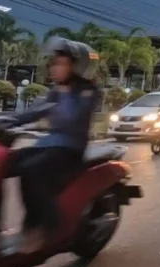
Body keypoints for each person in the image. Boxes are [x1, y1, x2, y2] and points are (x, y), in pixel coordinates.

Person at [9, 37, 100, 254]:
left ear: (76, 67)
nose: (54, 68)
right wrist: (7, 121)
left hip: (69, 151)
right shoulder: (56, 90)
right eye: (54, 63)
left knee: (32, 171)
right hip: (47, 145)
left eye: (61, 64)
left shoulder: (88, 91)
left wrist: (64, 96)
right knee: (0, 164)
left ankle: (46, 226)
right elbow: (34, 111)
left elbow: (73, 119)